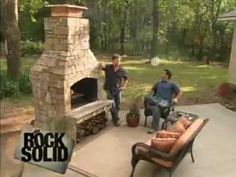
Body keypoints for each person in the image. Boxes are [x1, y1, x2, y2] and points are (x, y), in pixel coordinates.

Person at [145, 69, 181, 133]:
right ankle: (158, 104)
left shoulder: (172, 84)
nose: (161, 74)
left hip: (165, 102)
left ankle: (154, 128)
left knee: (156, 109)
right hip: (157, 101)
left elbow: (180, 92)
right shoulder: (158, 83)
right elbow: (152, 90)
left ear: (167, 75)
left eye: (163, 73)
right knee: (148, 98)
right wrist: (150, 94)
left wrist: (176, 99)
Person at [101, 54, 128, 126]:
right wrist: (101, 63)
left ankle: (113, 118)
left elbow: (126, 79)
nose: (118, 62)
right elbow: (101, 65)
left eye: (119, 61)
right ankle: (116, 119)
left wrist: (124, 86)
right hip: (109, 89)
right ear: (112, 61)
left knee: (118, 105)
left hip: (118, 90)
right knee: (112, 105)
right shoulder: (108, 67)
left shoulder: (122, 70)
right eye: (116, 61)